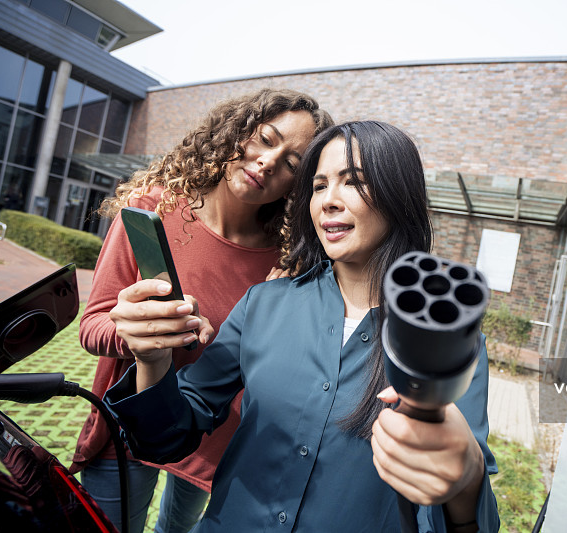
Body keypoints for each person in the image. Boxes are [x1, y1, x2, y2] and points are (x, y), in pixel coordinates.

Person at [102, 120, 500, 532]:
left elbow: (469, 522)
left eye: (353, 182)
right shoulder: (264, 303)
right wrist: (152, 359)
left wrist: (466, 474)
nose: (328, 200)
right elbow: (165, 437)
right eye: (319, 185)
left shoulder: (446, 344)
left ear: (399, 196)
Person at [70, 88, 333, 533]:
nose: (270, 161)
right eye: (266, 138)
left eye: (292, 163)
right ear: (236, 131)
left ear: (299, 183)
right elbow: (93, 325)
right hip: (127, 427)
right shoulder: (153, 208)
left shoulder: (286, 259)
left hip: (212, 439)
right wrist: (150, 334)